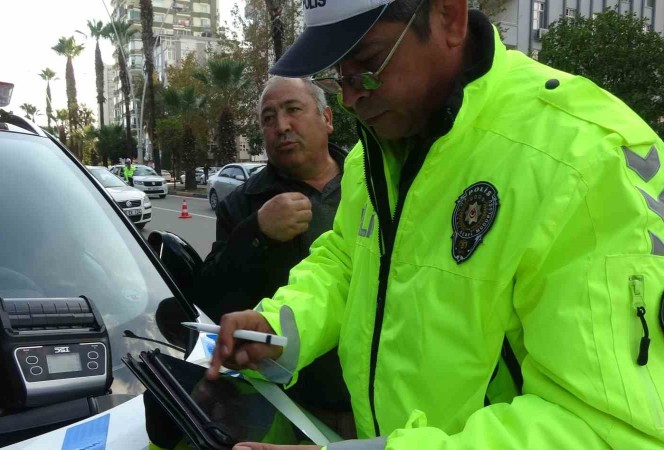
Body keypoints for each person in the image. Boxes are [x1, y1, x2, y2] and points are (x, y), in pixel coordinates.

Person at [207, 0, 664, 449]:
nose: (348, 97)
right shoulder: (376, 151)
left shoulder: (582, 156)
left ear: (448, 17)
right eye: (338, 73)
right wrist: (280, 328)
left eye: (367, 63)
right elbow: (348, 260)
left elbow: (604, 429)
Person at [193, 76, 353, 435]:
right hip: (292, 407)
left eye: (293, 110)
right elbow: (211, 300)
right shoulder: (244, 204)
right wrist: (256, 232)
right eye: (268, 118)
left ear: (327, 118)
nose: (281, 126)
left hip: (379, 399)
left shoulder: (371, 182)